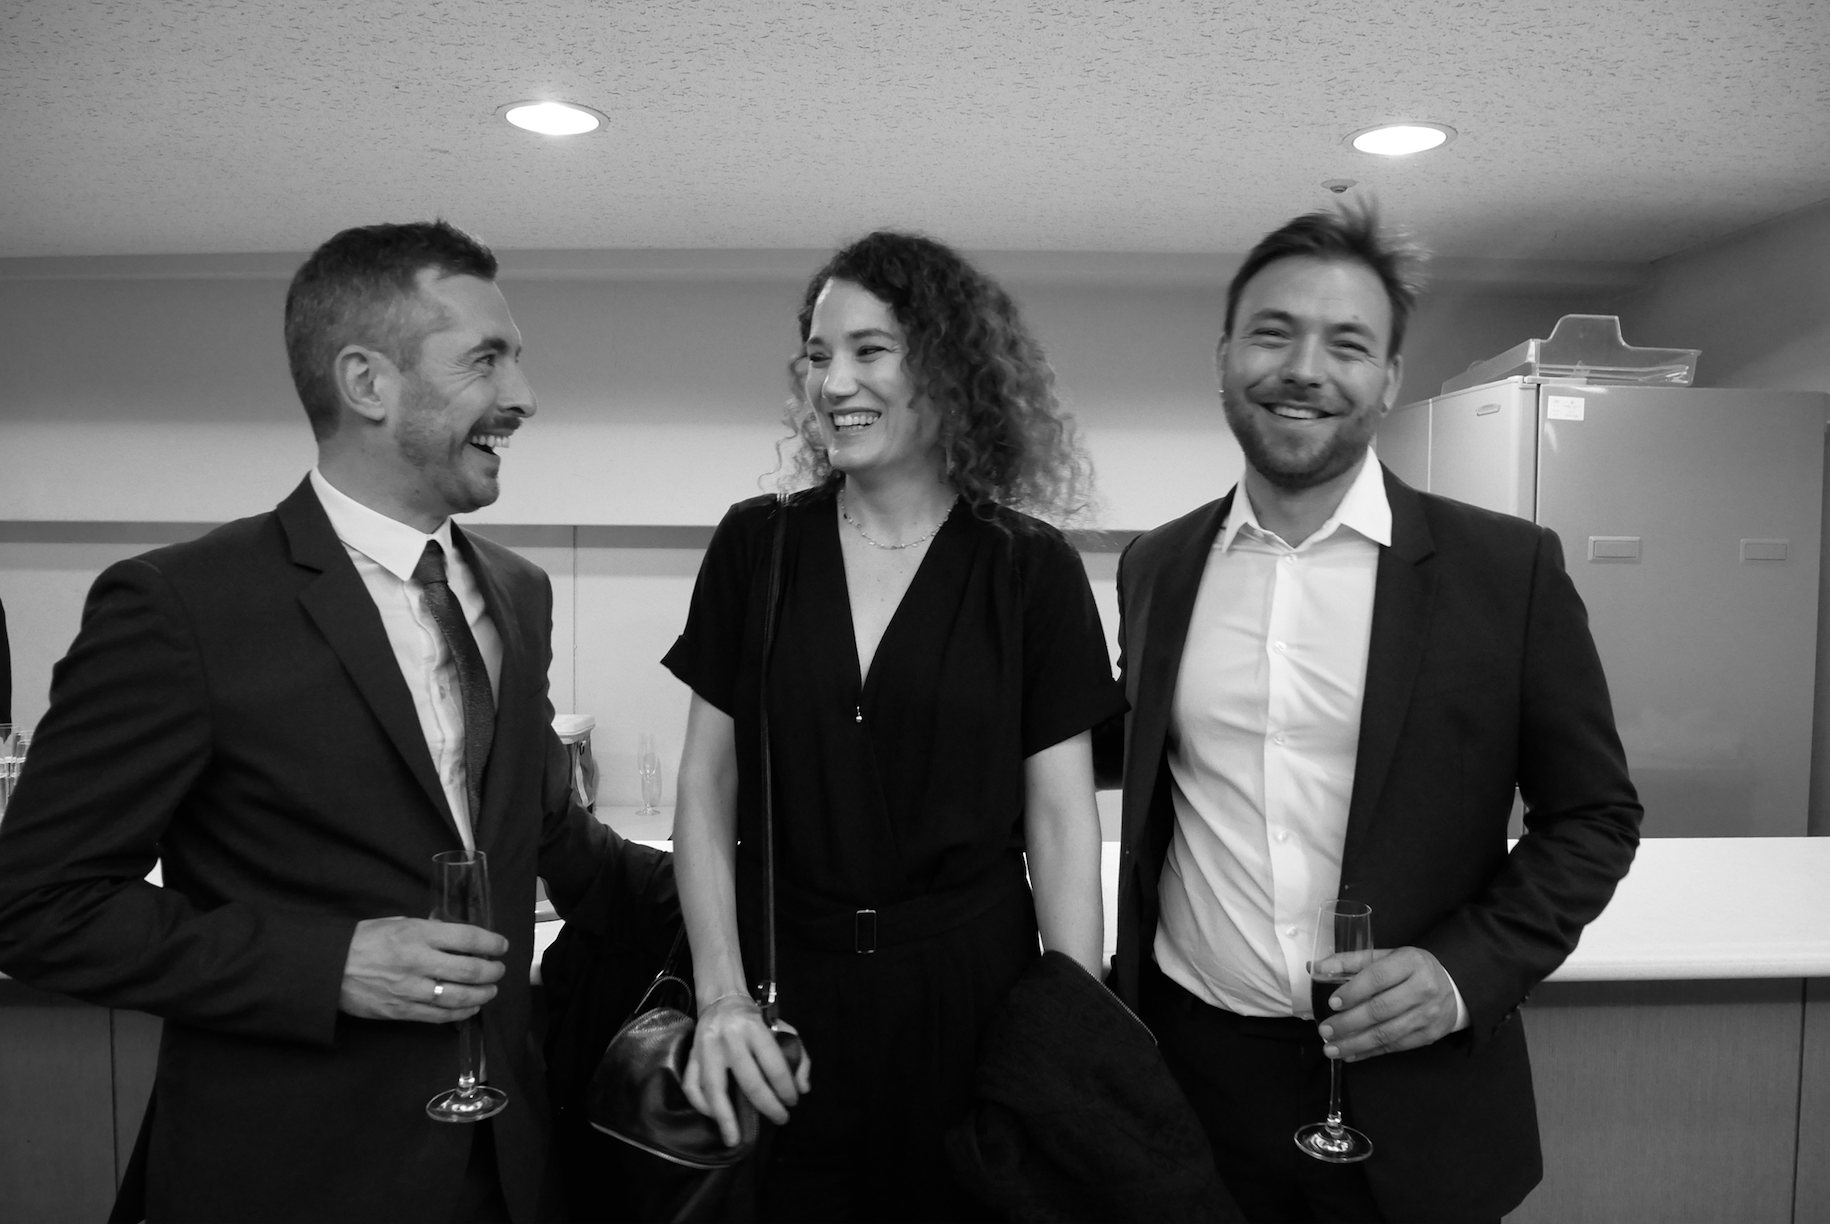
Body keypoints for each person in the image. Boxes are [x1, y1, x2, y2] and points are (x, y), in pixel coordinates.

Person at [0, 220, 649, 1223]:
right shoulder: (184, 606)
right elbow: (41, 905)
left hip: (508, 1169)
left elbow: (559, 840)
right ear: (368, 382)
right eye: (488, 358)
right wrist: (328, 965)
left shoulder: (516, 595)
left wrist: (775, 880)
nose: (524, 394)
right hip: (289, 1172)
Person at [1096, 202, 1641, 1223]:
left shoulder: (1506, 571)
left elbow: (1595, 817)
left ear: (1389, 378)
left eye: (1347, 343)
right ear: (1223, 356)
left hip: (1416, 1090)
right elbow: (1131, 746)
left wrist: (1462, 971)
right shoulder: (1156, 567)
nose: (1305, 367)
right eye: (1273, 332)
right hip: (1190, 1083)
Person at [662, 230, 1124, 1222]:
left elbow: (1062, 821)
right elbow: (704, 789)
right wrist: (721, 998)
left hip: (973, 997)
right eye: (819, 357)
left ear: (950, 366)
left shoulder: (1027, 570)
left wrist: (1071, 1041)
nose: (835, 384)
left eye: (870, 351)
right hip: (788, 1001)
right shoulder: (758, 547)